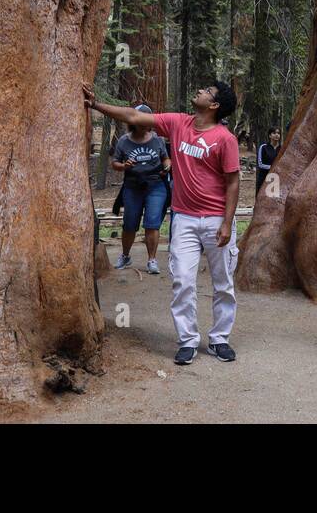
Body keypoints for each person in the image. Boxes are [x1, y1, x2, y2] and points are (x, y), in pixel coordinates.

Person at [85, 81, 241, 366]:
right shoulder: (178, 123)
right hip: (184, 219)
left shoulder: (224, 138)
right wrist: (95, 104)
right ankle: (187, 340)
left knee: (223, 283)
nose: (200, 91)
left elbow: (232, 182)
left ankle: (219, 338)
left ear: (215, 105)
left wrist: (228, 223)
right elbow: (134, 117)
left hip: (217, 219)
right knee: (182, 280)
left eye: (207, 91)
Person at [110, 104, 170, 274]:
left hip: (155, 186)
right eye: (141, 120)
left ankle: (152, 260)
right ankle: (125, 255)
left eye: (148, 120)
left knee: (152, 223)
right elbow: (114, 163)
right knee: (130, 224)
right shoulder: (123, 141)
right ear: (133, 121)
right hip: (132, 186)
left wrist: (167, 167)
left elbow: (166, 159)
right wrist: (124, 166)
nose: (145, 124)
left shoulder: (157, 139)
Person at [256, 127, 281, 194]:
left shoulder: (282, 149)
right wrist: (273, 168)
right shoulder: (263, 147)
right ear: (269, 135)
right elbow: (260, 164)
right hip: (264, 178)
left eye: (278, 133)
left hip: (277, 180)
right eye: (274, 133)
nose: (276, 135)